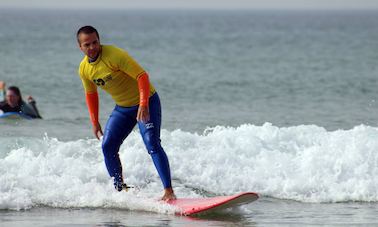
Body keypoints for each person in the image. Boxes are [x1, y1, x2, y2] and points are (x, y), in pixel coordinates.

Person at [76, 26, 176, 201]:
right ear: (80, 47)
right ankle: (120, 190)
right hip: (123, 108)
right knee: (107, 145)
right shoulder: (84, 69)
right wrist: (94, 122)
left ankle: (169, 192)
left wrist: (143, 104)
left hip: (147, 102)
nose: (92, 47)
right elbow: (91, 94)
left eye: (95, 42)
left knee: (152, 143)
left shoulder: (114, 55)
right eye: (87, 44)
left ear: (99, 41)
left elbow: (142, 76)